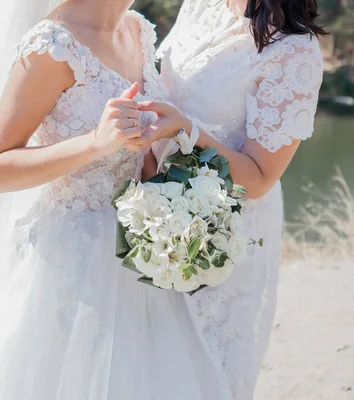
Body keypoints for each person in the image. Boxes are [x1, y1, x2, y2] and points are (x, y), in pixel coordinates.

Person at [0, 1, 231, 399]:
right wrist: (94, 143)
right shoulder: (51, 45)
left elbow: (135, 155)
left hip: (139, 255)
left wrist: (165, 187)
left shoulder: (137, 30)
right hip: (72, 264)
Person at [127, 0, 326, 397]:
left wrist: (186, 132)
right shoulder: (201, 5)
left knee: (205, 374)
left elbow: (259, 177)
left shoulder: (293, 51)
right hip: (151, 212)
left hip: (223, 233)